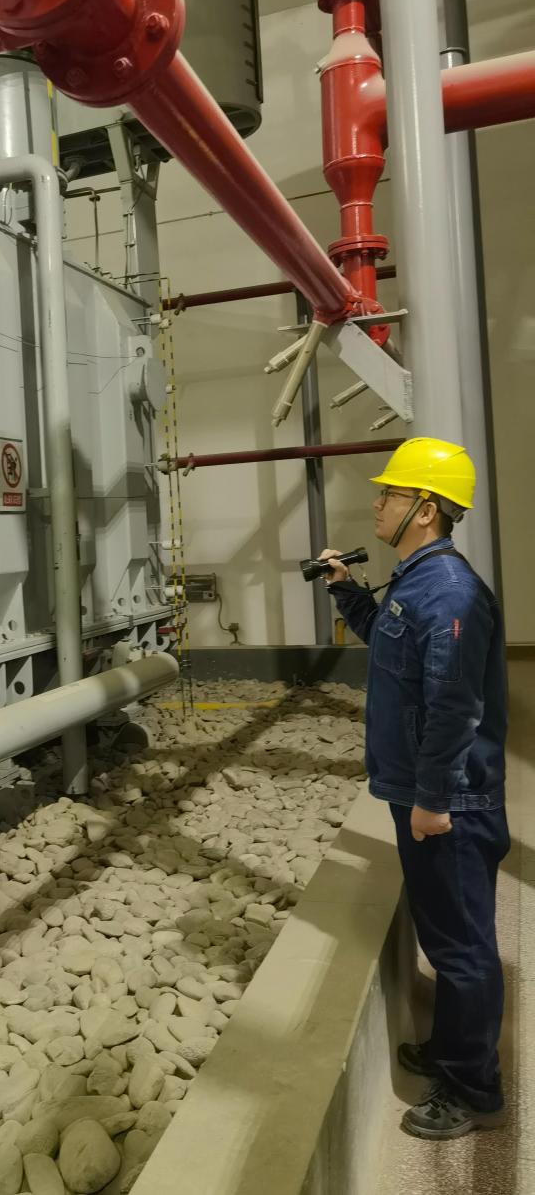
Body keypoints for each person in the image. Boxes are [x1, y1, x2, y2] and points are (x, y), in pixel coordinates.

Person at [319, 436, 508, 1140]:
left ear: (425, 508)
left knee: (463, 946)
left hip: (450, 800)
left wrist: (432, 800)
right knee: (446, 933)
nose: (377, 503)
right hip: (425, 791)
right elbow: (395, 648)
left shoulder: (451, 590)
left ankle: (471, 1087)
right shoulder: (417, 580)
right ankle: (454, 1050)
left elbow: (454, 708)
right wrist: (346, 588)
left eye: (390, 493)